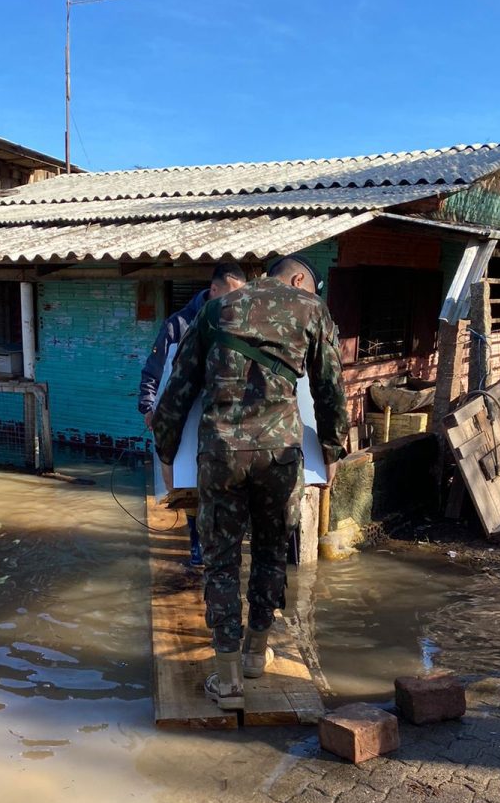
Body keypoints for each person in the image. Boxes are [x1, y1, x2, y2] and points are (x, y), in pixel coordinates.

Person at [151, 255, 348, 710]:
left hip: (220, 455)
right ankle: (257, 654)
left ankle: (228, 680)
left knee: (221, 562)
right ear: (299, 280)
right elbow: (330, 389)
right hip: (279, 455)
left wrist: (166, 454)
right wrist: (333, 451)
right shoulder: (311, 312)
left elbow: (179, 387)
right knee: (271, 550)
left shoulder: (216, 309)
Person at [139, 263, 246, 565]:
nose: (236, 304)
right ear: (214, 290)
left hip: (223, 423)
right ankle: (196, 545)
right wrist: (149, 408)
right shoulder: (179, 325)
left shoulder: (240, 325)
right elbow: (153, 371)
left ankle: (218, 546)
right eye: (231, 296)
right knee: (186, 484)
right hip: (184, 420)